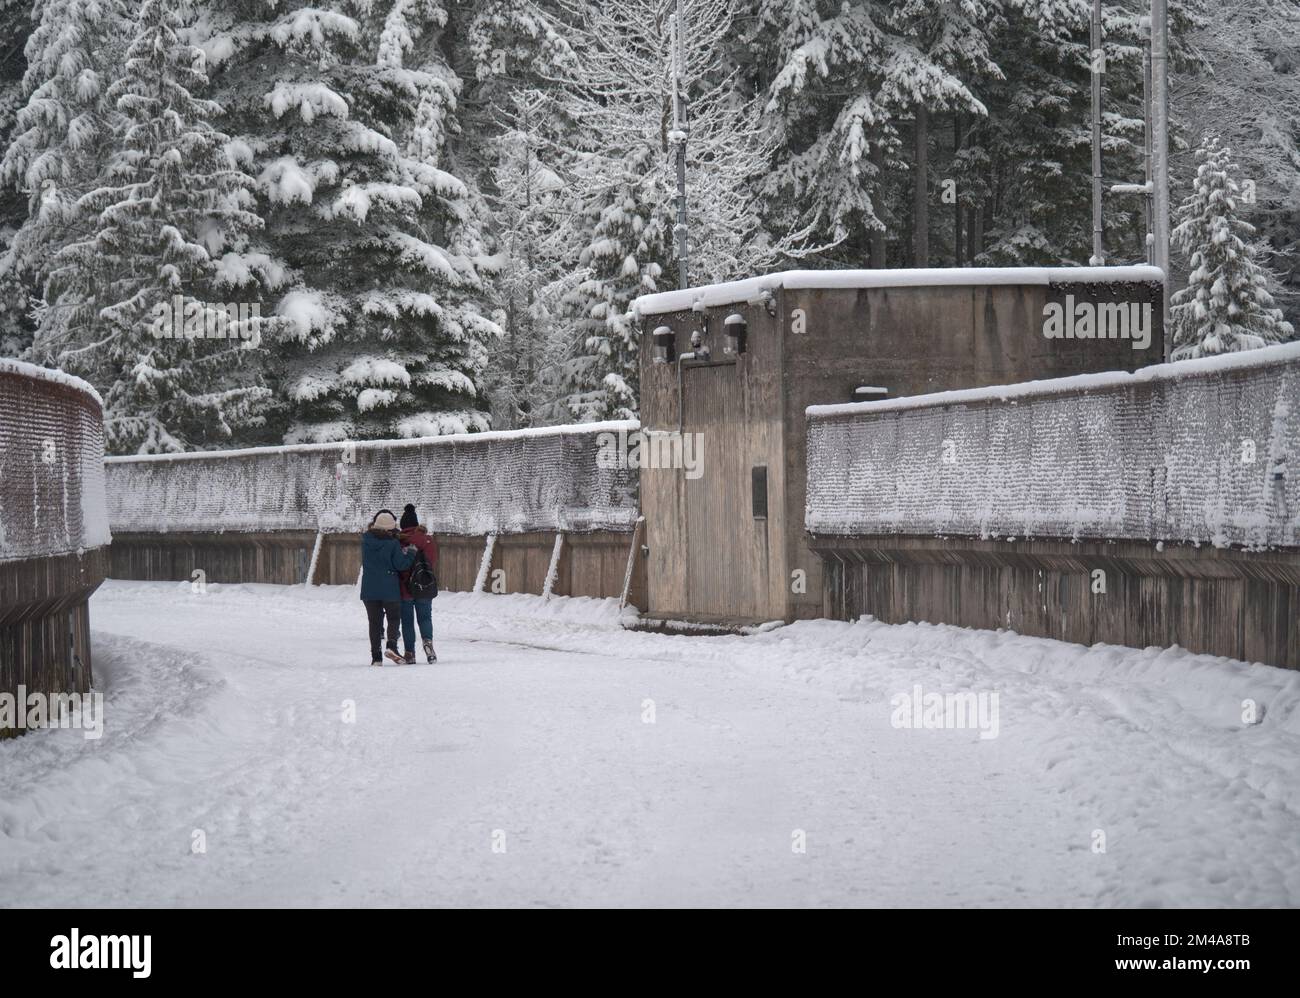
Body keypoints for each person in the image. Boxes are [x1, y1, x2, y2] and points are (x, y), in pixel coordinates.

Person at [360, 509, 416, 666]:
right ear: (388, 529)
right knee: (393, 618)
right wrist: (411, 553)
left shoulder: (365, 541)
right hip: (389, 588)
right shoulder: (392, 544)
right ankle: (391, 645)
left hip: (369, 589)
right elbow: (401, 564)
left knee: (374, 623)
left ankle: (376, 657)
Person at [397, 504, 439, 663]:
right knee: (425, 618)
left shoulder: (399, 541)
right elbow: (432, 561)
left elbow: (398, 564)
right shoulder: (428, 540)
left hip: (405, 588)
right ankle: (428, 644)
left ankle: (410, 653)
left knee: (407, 621)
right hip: (424, 585)